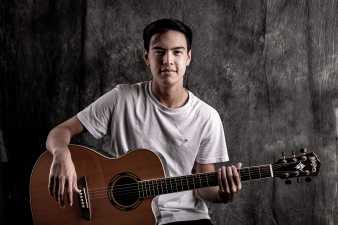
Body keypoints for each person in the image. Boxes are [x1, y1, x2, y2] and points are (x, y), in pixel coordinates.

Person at [46, 18, 242, 225]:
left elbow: (205, 187)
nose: (168, 60)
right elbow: (60, 132)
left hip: (185, 217)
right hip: (122, 216)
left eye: (177, 52)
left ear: (188, 57)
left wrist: (225, 193)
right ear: (147, 57)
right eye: (159, 51)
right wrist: (61, 155)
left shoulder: (206, 116)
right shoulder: (121, 98)